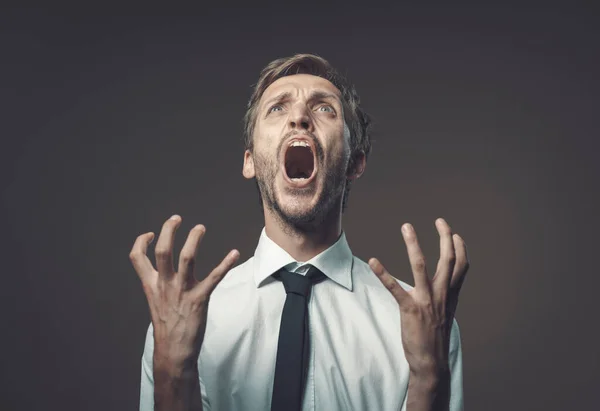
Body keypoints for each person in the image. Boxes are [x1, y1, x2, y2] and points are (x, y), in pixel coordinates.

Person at [129, 53, 470, 411]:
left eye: (324, 109)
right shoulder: (180, 316)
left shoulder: (422, 321)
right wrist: (173, 371)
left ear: (355, 161)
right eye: (277, 109)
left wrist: (429, 376)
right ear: (250, 161)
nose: (299, 118)